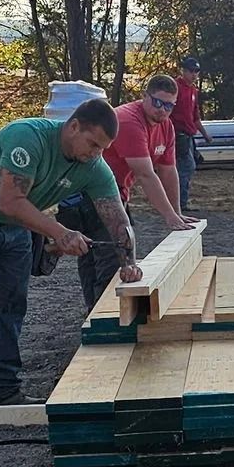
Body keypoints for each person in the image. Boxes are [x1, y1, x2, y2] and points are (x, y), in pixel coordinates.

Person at [0, 100, 140, 405]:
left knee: (8, 306)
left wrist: (129, 263)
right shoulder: (27, 137)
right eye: (92, 143)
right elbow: (10, 201)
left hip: (15, 227)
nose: (96, 153)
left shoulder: (93, 166)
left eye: (103, 148)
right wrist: (59, 232)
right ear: (73, 126)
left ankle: (2, 390)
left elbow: (118, 221)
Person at [81, 72, 200, 308]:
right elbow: (147, 174)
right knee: (114, 256)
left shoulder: (166, 126)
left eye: (169, 105)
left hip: (117, 193)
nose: (162, 110)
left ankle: (95, 312)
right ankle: (105, 316)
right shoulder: (128, 121)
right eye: (157, 102)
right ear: (144, 96)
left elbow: (168, 170)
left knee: (101, 253)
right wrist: (169, 218)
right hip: (92, 195)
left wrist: (176, 212)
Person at [172, 55, 206, 211]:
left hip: (189, 135)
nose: (194, 74)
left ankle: (179, 201)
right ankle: (180, 202)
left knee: (185, 167)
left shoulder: (193, 90)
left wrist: (205, 134)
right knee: (186, 167)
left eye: (196, 71)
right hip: (178, 134)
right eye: (191, 71)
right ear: (183, 71)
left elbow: (195, 116)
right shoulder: (175, 87)